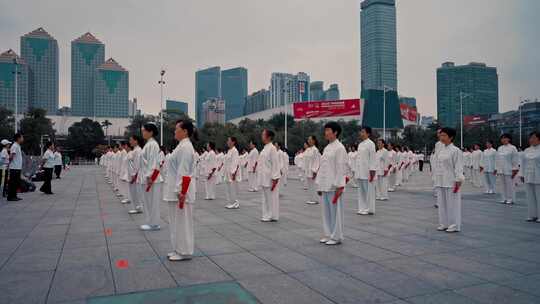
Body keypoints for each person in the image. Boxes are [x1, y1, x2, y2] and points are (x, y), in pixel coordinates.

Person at [164, 120, 197, 261]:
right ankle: (178, 248)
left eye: (177, 129)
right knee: (176, 222)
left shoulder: (185, 147)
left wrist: (181, 191)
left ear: (185, 131)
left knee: (182, 222)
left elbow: (183, 172)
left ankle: (185, 251)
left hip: (181, 191)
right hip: (175, 189)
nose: (174, 131)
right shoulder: (181, 146)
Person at [316, 122, 347, 245]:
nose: (326, 132)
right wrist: (319, 184)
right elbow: (322, 167)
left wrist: (340, 186)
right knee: (326, 212)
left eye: (328, 130)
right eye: (325, 130)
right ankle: (328, 234)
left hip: (334, 186)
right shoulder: (327, 147)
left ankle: (336, 236)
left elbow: (341, 168)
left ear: (335, 132)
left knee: (335, 212)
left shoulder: (340, 148)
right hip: (325, 184)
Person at [433, 127, 464, 233]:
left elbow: (458, 167)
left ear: (451, 137)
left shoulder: (456, 151)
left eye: (444, 135)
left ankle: (454, 224)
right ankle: (444, 223)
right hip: (440, 180)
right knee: (442, 203)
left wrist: (458, 180)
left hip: (451, 181)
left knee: (452, 204)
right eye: (441, 135)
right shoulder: (441, 150)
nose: (441, 137)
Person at [140, 123, 163, 231]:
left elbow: (153, 162)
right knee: (148, 201)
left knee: (152, 202)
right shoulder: (148, 144)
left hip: (152, 178)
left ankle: (154, 223)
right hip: (148, 177)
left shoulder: (153, 144)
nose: (142, 132)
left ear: (150, 132)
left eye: (144, 130)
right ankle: (150, 222)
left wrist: (150, 177)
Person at [257, 129, 281, 222]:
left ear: (269, 137)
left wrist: (275, 178)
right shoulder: (265, 148)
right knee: (265, 197)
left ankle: (271, 215)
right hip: (264, 176)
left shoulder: (272, 148)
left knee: (271, 197)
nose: (262, 136)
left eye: (263, 134)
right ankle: (266, 213)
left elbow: (275, 164)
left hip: (270, 177)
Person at [354, 126, 377, 215]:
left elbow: (372, 158)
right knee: (361, 191)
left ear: (368, 133)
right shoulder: (360, 144)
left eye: (363, 132)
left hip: (367, 171)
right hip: (360, 171)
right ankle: (361, 208)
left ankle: (368, 209)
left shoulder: (371, 144)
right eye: (361, 132)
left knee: (368, 191)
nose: (361, 133)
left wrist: (372, 171)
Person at [520, 131, 540, 223]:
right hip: (528, 175)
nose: (531, 140)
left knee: (539, 196)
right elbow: (523, 164)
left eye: (533, 138)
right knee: (529, 196)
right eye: (530, 138)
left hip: (538, 175)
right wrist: (522, 174)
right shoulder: (527, 150)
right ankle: (532, 215)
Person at [495, 134, 519, 204]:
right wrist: (496, 168)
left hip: (509, 169)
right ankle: (504, 198)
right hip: (501, 170)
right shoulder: (499, 148)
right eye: (502, 138)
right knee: (502, 185)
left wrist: (515, 169)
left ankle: (510, 199)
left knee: (510, 185)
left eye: (505, 138)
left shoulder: (513, 148)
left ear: (509, 139)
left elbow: (515, 159)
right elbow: (497, 159)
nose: (503, 140)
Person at [128, 135, 145, 215]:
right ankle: (137, 207)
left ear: (136, 141)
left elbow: (137, 165)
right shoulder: (135, 150)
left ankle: (139, 207)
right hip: (133, 175)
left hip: (136, 175)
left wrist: (134, 176)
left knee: (137, 192)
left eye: (131, 140)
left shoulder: (138, 151)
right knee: (134, 192)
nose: (130, 141)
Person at [304, 136, 321, 205]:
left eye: (310, 140)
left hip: (312, 170)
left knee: (313, 185)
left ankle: (315, 199)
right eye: (308, 139)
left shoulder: (315, 150)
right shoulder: (308, 150)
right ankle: (310, 198)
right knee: (309, 185)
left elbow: (316, 161)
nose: (309, 141)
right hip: (308, 170)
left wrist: (315, 171)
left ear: (314, 141)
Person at [224, 137, 240, 209]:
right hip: (227, 172)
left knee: (233, 188)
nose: (227, 142)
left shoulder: (235, 151)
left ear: (233, 142)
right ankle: (230, 202)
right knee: (228, 188)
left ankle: (235, 202)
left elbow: (235, 163)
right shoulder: (229, 151)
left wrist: (233, 173)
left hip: (232, 173)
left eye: (229, 140)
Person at [7, 133, 24, 201]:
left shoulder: (17, 145)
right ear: (18, 138)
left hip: (17, 167)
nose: (23, 139)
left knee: (16, 182)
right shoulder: (14, 146)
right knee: (13, 183)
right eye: (22, 137)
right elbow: (11, 156)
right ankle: (11, 197)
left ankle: (14, 195)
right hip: (14, 168)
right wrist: (9, 164)